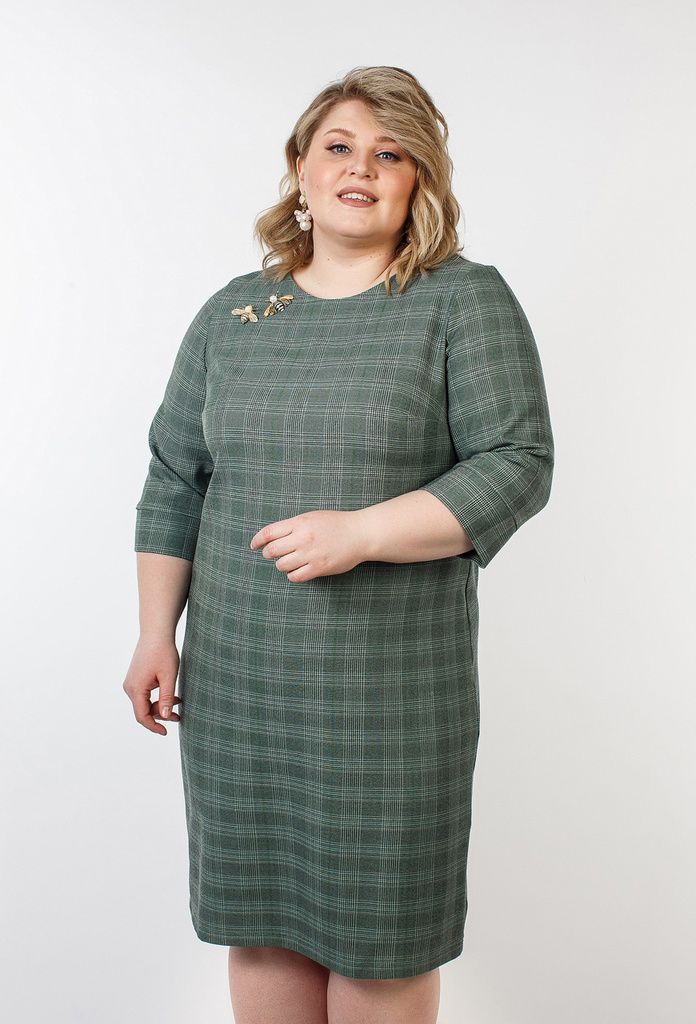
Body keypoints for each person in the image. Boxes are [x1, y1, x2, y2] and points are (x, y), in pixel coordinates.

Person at [123, 66, 554, 1024]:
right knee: (261, 926)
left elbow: (518, 461)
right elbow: (175, 476)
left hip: (387, 693)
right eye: (340, 147)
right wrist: (157, 634)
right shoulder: (235, 312)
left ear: (418, 179)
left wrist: (362, 533)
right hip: (239, 684)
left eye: (390, 153)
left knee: (380, 946)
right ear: (302, 169)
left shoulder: (460, 301)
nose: (361, 169)